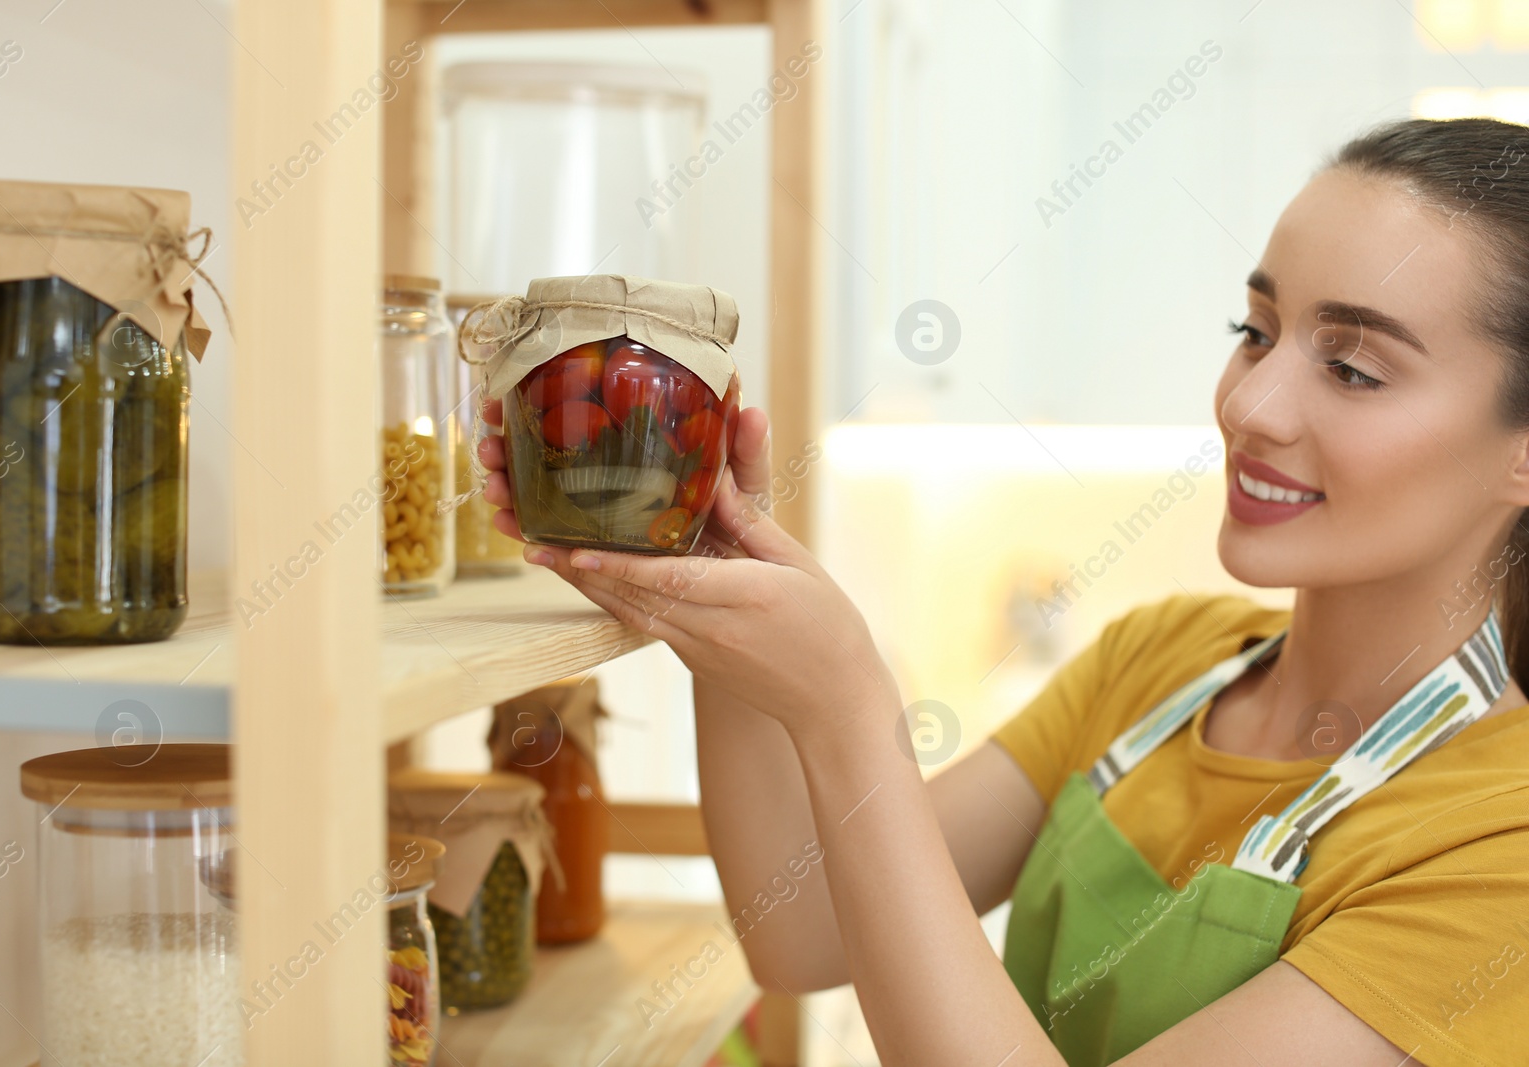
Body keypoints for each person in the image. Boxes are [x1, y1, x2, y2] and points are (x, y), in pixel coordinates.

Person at [477, 118, 1529, 1066]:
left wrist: (848, 708)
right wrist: (711, 577)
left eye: (1351, 369)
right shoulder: (1164, 661)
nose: (1250, 403)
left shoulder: (1502, 848)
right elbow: (801, 929)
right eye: (1253, 332)